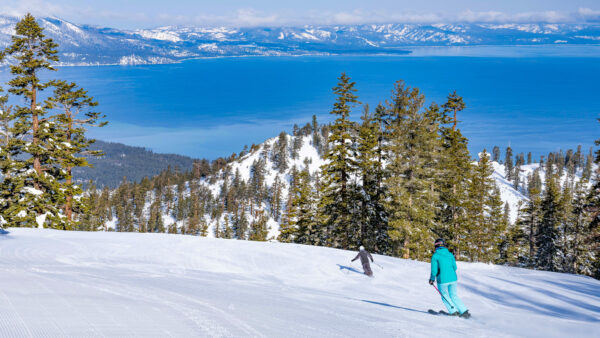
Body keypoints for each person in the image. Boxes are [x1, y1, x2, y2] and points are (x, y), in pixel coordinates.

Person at [429, 238, 471, 318]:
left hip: (442, 280)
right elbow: (455, 267)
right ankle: (463, 310)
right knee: (454, 295)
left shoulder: (435, 256)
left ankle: (453, 311)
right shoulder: (450, 254)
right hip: (453, 279)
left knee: (444, 295)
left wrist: (432, 279)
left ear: (436, 246)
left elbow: (434, 270)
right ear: (444, 245)